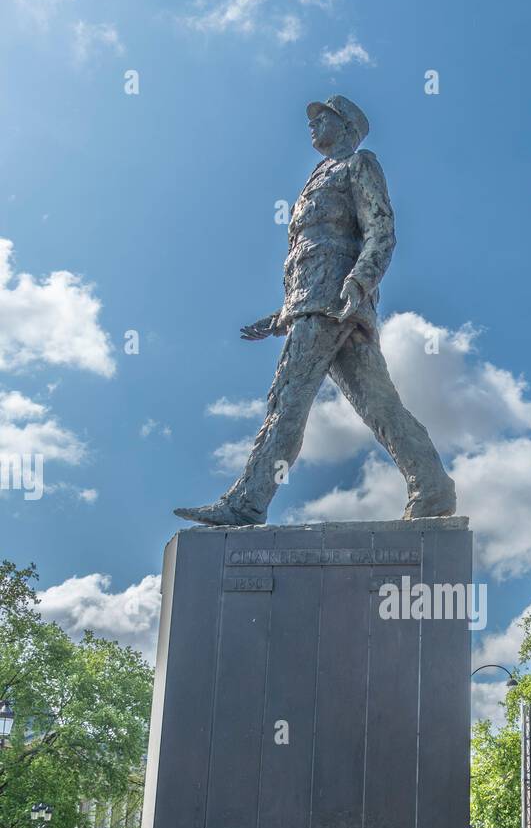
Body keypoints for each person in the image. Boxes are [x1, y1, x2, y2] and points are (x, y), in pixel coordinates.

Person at [175, 96, 456, 526]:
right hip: (316, 305)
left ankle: (246, 504)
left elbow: (381, 228)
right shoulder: (317, 177)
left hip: (334, 305)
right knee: (379, 406)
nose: (312, 125)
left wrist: (360, 282)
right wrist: (281, 315)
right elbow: (312, 254)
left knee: (287, 401)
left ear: (346, 128)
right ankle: (432, 487)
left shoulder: (358, 165)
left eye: (321, 118)